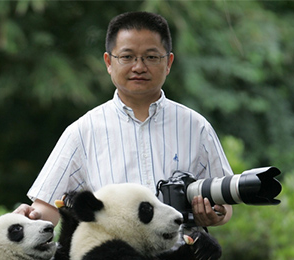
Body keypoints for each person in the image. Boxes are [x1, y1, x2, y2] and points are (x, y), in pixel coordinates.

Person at [15, 11, 233, 228]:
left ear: (168, 62)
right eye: (127, 57)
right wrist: (28, 219)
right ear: (109, 62)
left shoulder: (196, 127)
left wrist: (218, 215)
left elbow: (225, 201)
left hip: (183, 259)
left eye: (151, 57)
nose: (139, 67)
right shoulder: (83, 132)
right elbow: (48, 207)